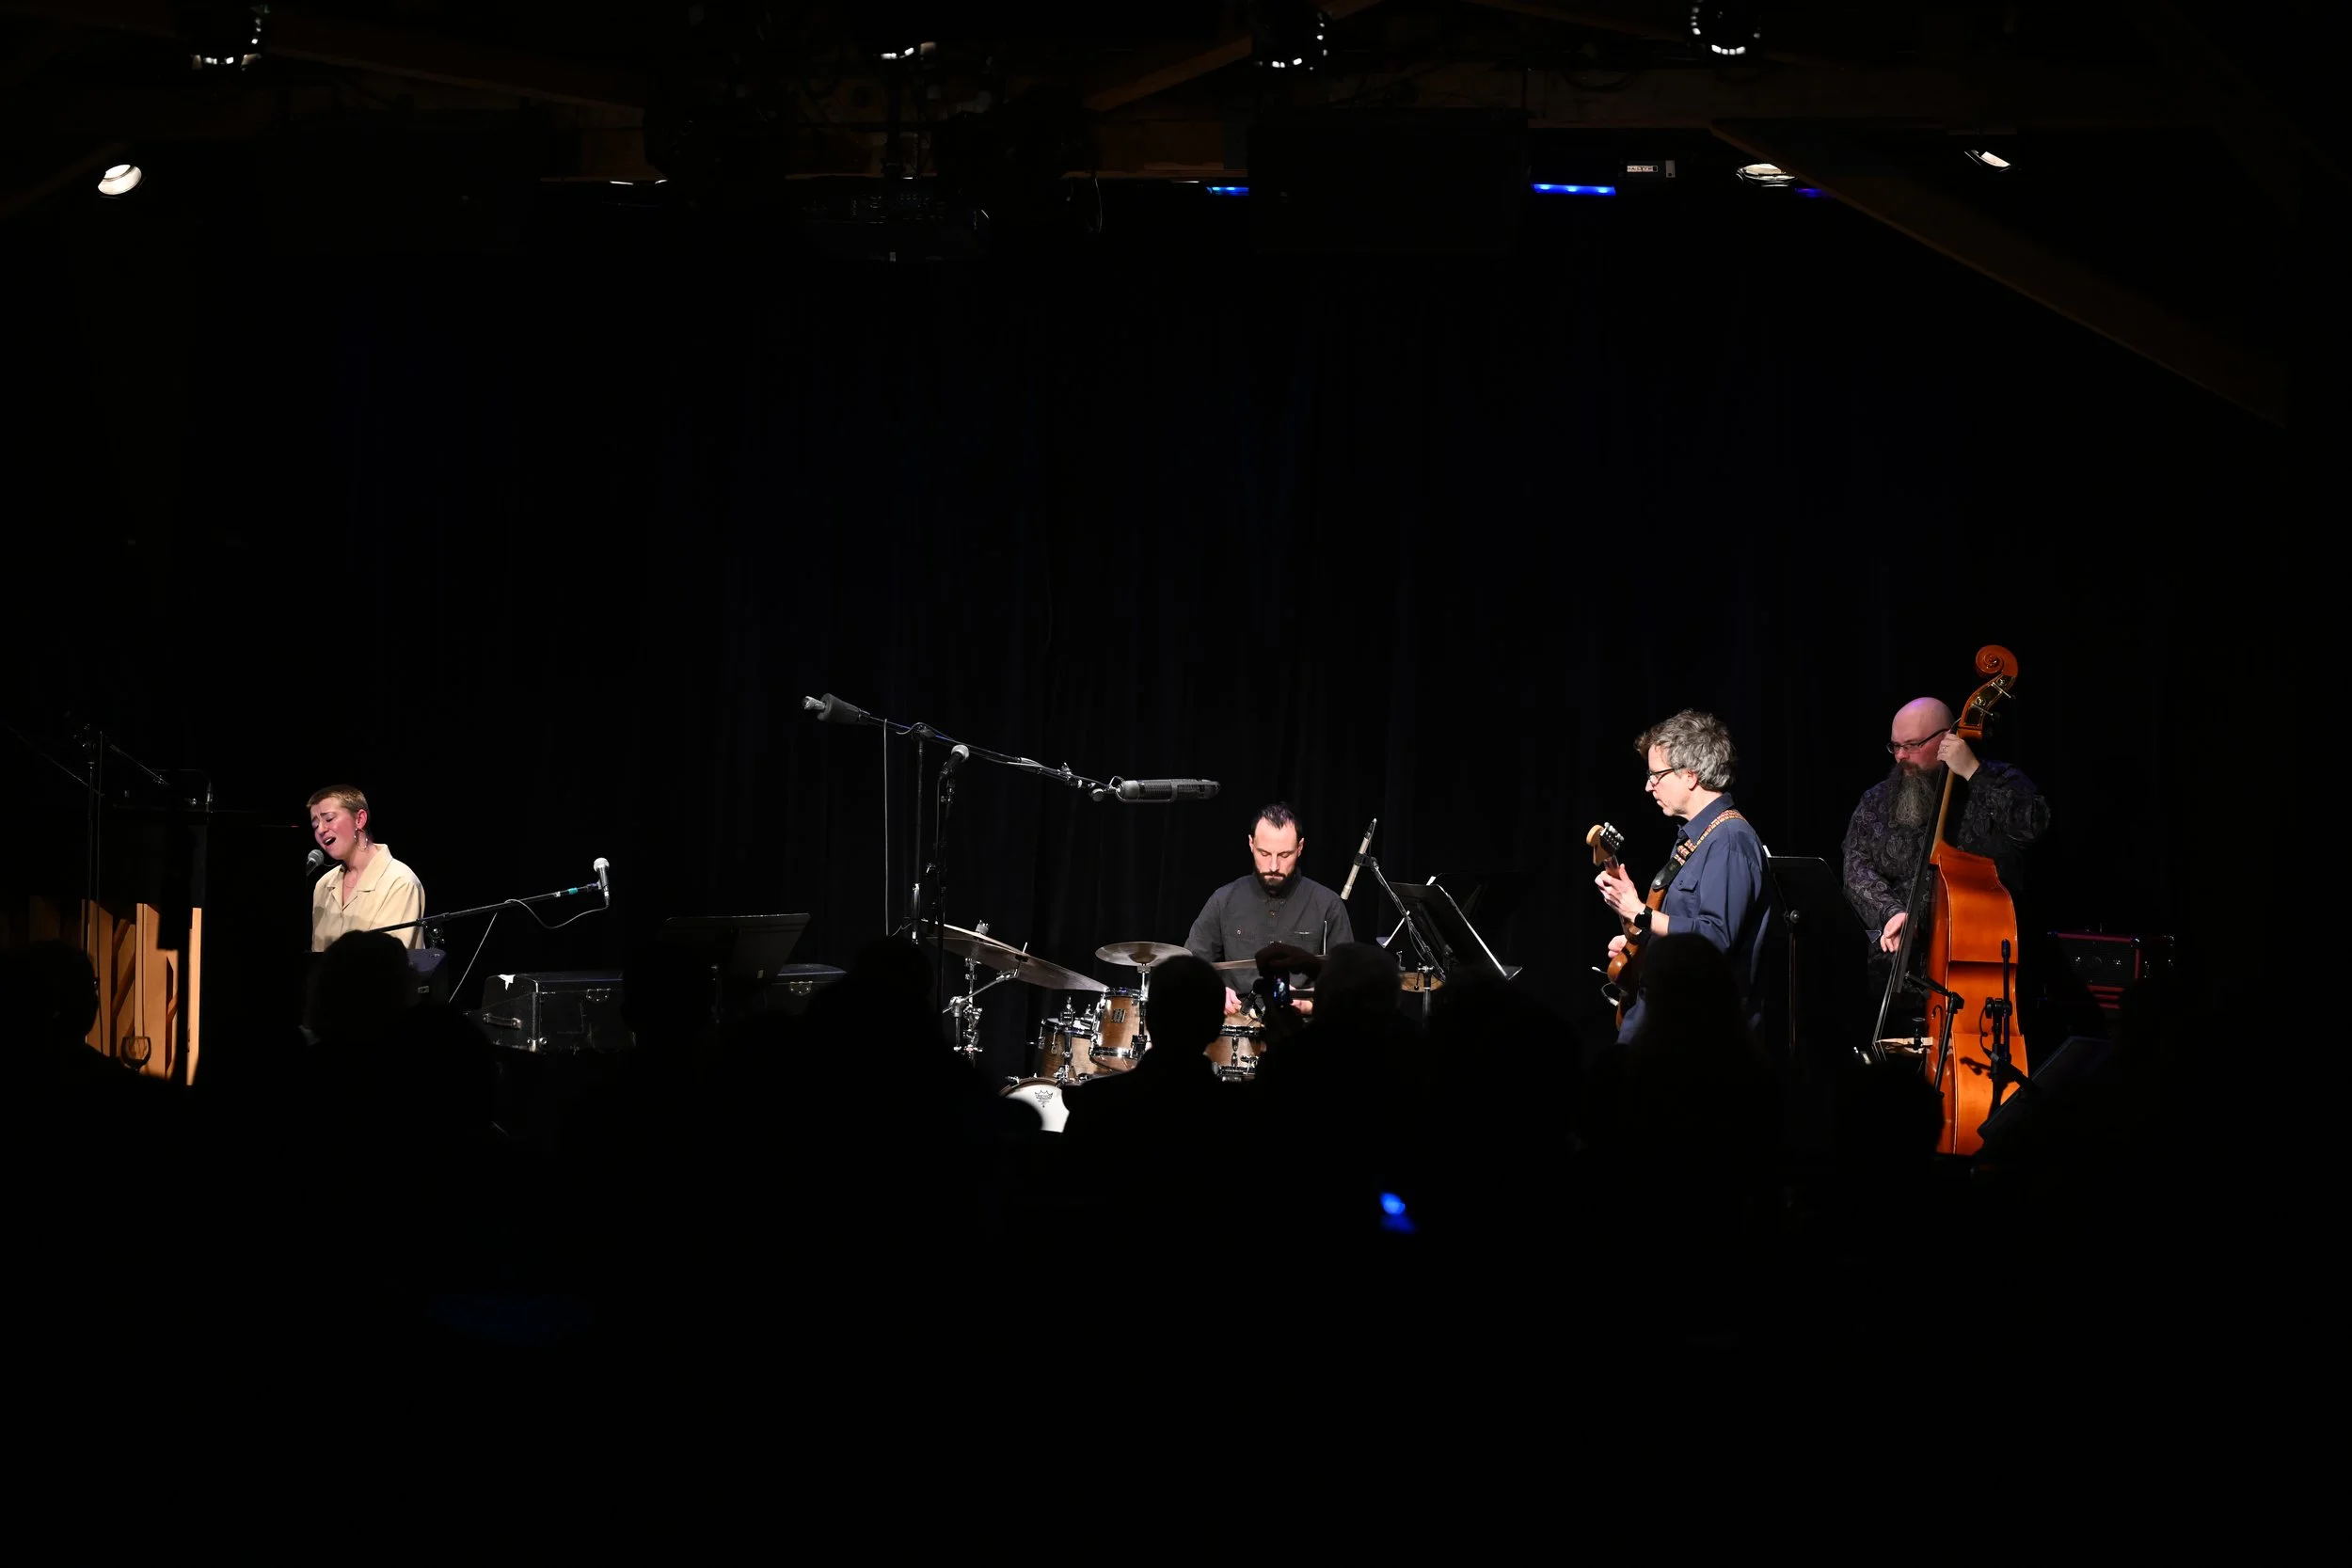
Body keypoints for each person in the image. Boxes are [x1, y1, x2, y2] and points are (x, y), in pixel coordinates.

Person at [1593, 710, 1774, 1044]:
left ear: (1690, 775)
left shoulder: (1730, 839)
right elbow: (1684, 929)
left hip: (1697, 1038)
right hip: (1666, 1024)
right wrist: (1646, 945)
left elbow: (1716, 938)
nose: (1649, 786)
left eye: (1656, 775)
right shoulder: (1699, 837)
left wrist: (1641, 913)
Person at [1841, 695, 2049, 972]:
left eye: (1912, 745)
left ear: (1947, 738)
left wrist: (1973, 772)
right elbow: (1855, 864)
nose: (1901, 756)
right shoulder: (1876, 800)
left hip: (1979, 962)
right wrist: (1891, 911)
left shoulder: (1998, 779)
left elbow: (2032, 828)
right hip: (1898, 965)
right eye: (1895, 746)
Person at [1185, 802, 1355, 1017]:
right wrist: (1212, 990)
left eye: (1284, 855)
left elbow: (1348, 986)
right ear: (1251, 844)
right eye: (1264, 853)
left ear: (1300, 848)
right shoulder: (1224, 900)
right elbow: (1191, 965)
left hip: (1301, 1032)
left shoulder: (1328, 906)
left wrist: (1309, 1004)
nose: (1274, 866)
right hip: (1234, 1026)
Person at [307, 784, 426, 952]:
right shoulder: (323, 885)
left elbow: (389, 962)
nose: (320, 829)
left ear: (359, 819)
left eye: (329, 819)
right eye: (315, 825)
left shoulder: (399, 882)